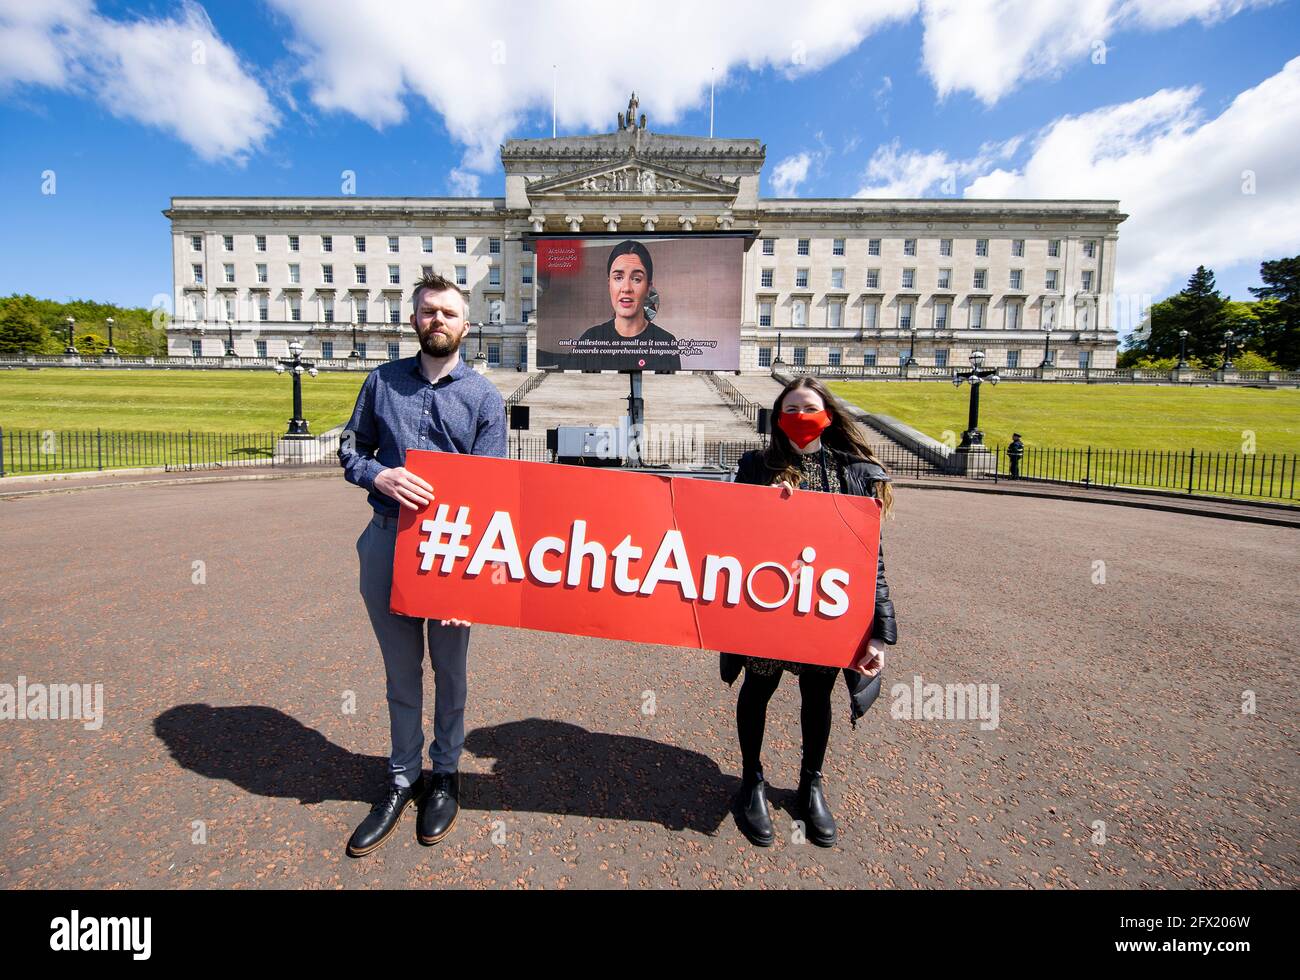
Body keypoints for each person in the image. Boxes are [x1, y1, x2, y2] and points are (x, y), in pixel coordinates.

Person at [338, 271, 507, 857]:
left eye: (448, 313)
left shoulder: (484, 397)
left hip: (452, 554)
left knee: (451, 670)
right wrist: (378, 473)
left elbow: (488, 492)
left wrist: (475, 578)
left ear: (465, 325)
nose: (437, 320)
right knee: (401, 671)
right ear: (414, 319)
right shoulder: (382, 382)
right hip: (387, 537)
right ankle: (403, 776)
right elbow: (349, 449)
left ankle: (446, 773)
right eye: (428, 311)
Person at [720, 376, 897, 847]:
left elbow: (870, 560)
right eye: (791, 409)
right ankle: (751, 781)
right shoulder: (756, 466)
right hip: (768, 604)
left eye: (809, 408)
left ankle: (810, 783)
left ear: (829, 415)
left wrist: (880, 632)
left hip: (826, 606)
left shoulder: (855, 471)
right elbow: (729, 538)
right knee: (759, 687)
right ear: (778, 417)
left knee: (817, 697)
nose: (801, 417)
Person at [539, 240, 681, 372]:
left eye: (636, 279)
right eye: (618, 278)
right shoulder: (591, 338)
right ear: (609, 284)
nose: (626, 288)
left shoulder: (666, 342)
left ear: (648, 287)